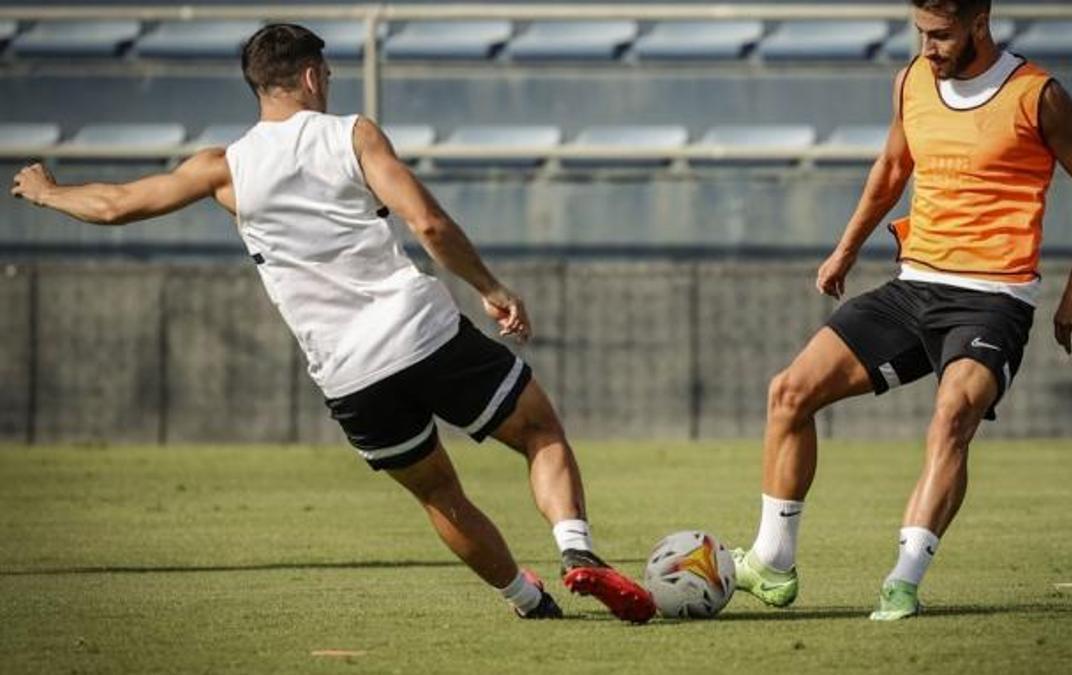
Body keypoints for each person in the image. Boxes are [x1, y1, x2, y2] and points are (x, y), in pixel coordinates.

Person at [9, 23, 655, 624]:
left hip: (348, 375)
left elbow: (117, 205)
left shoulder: (223, 169)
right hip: (420, 332)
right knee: (539, 429)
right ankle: (576, 548)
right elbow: (428, 224)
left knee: (439, 495)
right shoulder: (351, 135)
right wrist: (491, 287)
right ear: (313, 76)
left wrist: (48, 192)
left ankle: (527, 599)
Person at [731, 0, 1072, 620]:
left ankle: (903, 580)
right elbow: (893, 167)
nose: (927, 48)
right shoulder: (912, 79)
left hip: (993, 300)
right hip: (913, 287)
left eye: (940, 35)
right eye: (919, 32)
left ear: (979, 24)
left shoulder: (1036, 94)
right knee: (789, 392)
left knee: (951, 419)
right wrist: (845, 250)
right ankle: (773, 562)